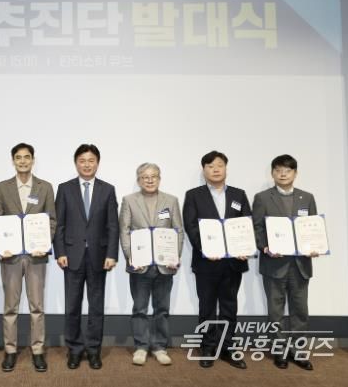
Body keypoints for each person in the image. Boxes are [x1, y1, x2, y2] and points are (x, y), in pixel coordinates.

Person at [182, 150, 251, 370]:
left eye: (220, 165)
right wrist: (205, 248)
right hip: (206, 262)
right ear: (204, 170)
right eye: (210, 166)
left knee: (230, 307)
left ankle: (228, 347)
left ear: (226, 168)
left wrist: (245, 248)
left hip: (233, 262)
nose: (215, 169)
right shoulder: (194, 195)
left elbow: (246, 223)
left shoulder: (239, 195)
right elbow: (191, 226)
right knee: (207, 307)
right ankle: (208, 347)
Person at [53, 144, 119, 370]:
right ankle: (74, 350)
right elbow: (59, 225)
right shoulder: (65, 189)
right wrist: (60, 252)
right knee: (72, 306)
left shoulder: (107, 190)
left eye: (91, 160)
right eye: (82, 160)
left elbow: (113, 225)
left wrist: (111, 254)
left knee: (96, 307)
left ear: (97, 163)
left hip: (99, 257)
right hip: (71, 257)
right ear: (76, 163)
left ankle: (93, 350)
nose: (87, 165)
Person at [0, 143, 56, 372]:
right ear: (13, 161)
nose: (22, 161)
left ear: (33, 160)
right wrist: (2, 246)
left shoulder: (45, 187)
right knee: (10, 306)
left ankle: (37, 350)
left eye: (26, 157)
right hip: (10, 257)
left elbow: (51, 220)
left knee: (36, 306)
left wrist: (44, 244)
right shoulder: (2, 187)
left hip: (36, 257)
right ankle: (10, 350)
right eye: (18, 157)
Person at [252, 154, 318, 371]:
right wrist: (264, 247)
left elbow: (313, 227)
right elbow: (257, 228)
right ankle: (279, 351)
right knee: (276, 313)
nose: (283, 174)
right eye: (278, 170)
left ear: (295, 173)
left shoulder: (307, 198)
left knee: (300, 311)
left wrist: (315, 246)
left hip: (300, 265)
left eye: (287, 170)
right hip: (274, 264)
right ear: (272, 173)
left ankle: (299, 352)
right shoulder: (262, 198)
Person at [119, 163, 183, 366]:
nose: (149, 180)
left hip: (165, 265)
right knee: (140, 308)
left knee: (161, 308)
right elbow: (124, 231)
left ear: (159, 178)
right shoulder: (129, 200)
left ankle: (159, 347)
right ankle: (141, 346)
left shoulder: (171, 201)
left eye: (153, 176)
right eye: (144, 177)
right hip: (140, 265)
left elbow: (178, 230)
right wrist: (131, 256)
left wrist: (175, 256)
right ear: (139, 180)